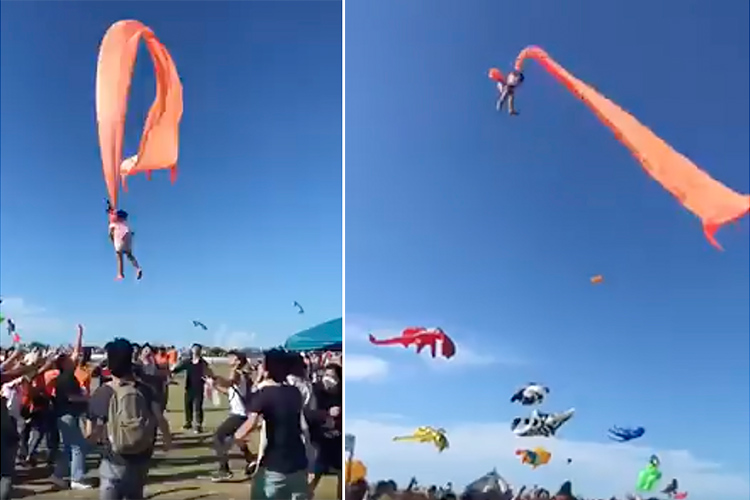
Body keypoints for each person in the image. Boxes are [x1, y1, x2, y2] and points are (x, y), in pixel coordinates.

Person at [88, 338, 172, 500]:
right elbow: (160, 419)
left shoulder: (102, 393)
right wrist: (167, 441)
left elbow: (92, 433)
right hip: (142, 454)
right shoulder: (146, 390)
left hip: (114, 458)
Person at [235, 349, 310, 500]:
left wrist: (238, 439)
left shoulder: (264, 394)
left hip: (275, 465)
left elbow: (249, 425)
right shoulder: (295, 392)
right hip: (299, 462)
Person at [205, 350, 256, 481]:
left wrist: (215, 378)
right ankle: (251, 460)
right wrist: (215, 385)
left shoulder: (237, 373)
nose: (228, 359)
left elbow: (229, 382)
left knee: (218, 437)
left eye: (231, 357)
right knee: (237, 439)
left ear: (238, 360)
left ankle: (224, 470)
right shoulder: (241, 374)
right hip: (242, 413)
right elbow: (230, 392)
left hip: (239, 414)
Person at [308, 363, 342, 499]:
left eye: (332, 376)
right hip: (319, 439)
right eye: (326, 375)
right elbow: (308, 413)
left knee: (341, 473)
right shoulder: (316, 391)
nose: (328, 379)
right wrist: (326, 413)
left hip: (337, 440)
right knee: (315, 472)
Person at [171, 343, 209, 433]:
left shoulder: (203, 363)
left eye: (197, 349)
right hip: (189, 387)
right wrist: (172, 371)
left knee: (198, 407)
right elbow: (178, 368)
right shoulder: (188, 362)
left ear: (200, 351)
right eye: (194, 348)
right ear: (191, 350)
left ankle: (198, 425)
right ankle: (188, 423)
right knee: (188, 406)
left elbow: (208, 373)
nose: (195, 350)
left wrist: (208, 380)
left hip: (199, 387)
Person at [107, 202, 143, 281]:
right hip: (128, 236)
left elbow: (110, 234)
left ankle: (120, 273)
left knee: (119, 255)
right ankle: (138, 268)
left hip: (120, 237)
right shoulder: (125, 223)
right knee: (129, 255)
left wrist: (112, 240)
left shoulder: (113, 223)